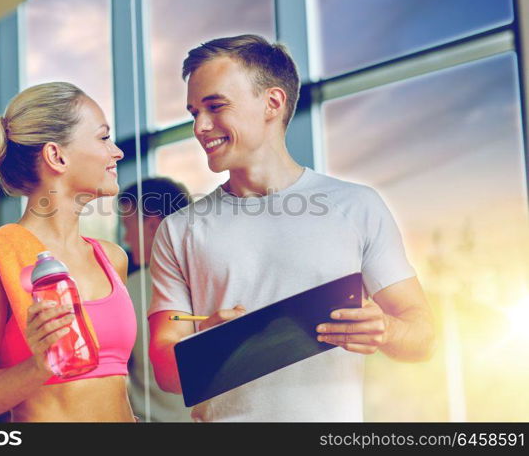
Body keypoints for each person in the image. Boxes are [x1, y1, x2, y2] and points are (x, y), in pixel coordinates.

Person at [147, 34, 436, 422]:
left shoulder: (356, 206)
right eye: (193, 112)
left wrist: (384, 328)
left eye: (215, 106)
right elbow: (165, 374)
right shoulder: (179, 230)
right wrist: (207, 343)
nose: (200, 126)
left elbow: (422, 335)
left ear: (273, 103)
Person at [0, 82, 137, 422]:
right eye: (102, 137)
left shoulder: (111, 258)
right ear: (57, 155)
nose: (117, 152)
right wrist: (40, 365)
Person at [118, 178, 193, 422]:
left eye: (127, 226)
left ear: (152, 226)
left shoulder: (130, 287)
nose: (127, 239)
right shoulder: (211, 275)